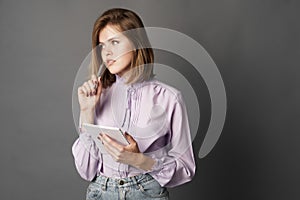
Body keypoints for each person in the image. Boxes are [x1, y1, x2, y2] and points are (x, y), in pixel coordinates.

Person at [72, 8, 196, 200]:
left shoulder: (169, 98)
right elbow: (86, 172)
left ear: (136, 43)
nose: (107, 53)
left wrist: (139, 160)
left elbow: (186, 168)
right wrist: (87, 111)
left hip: (146, 193)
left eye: (114, 42)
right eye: (102, 45)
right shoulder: (94, 97)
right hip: (100, 193)